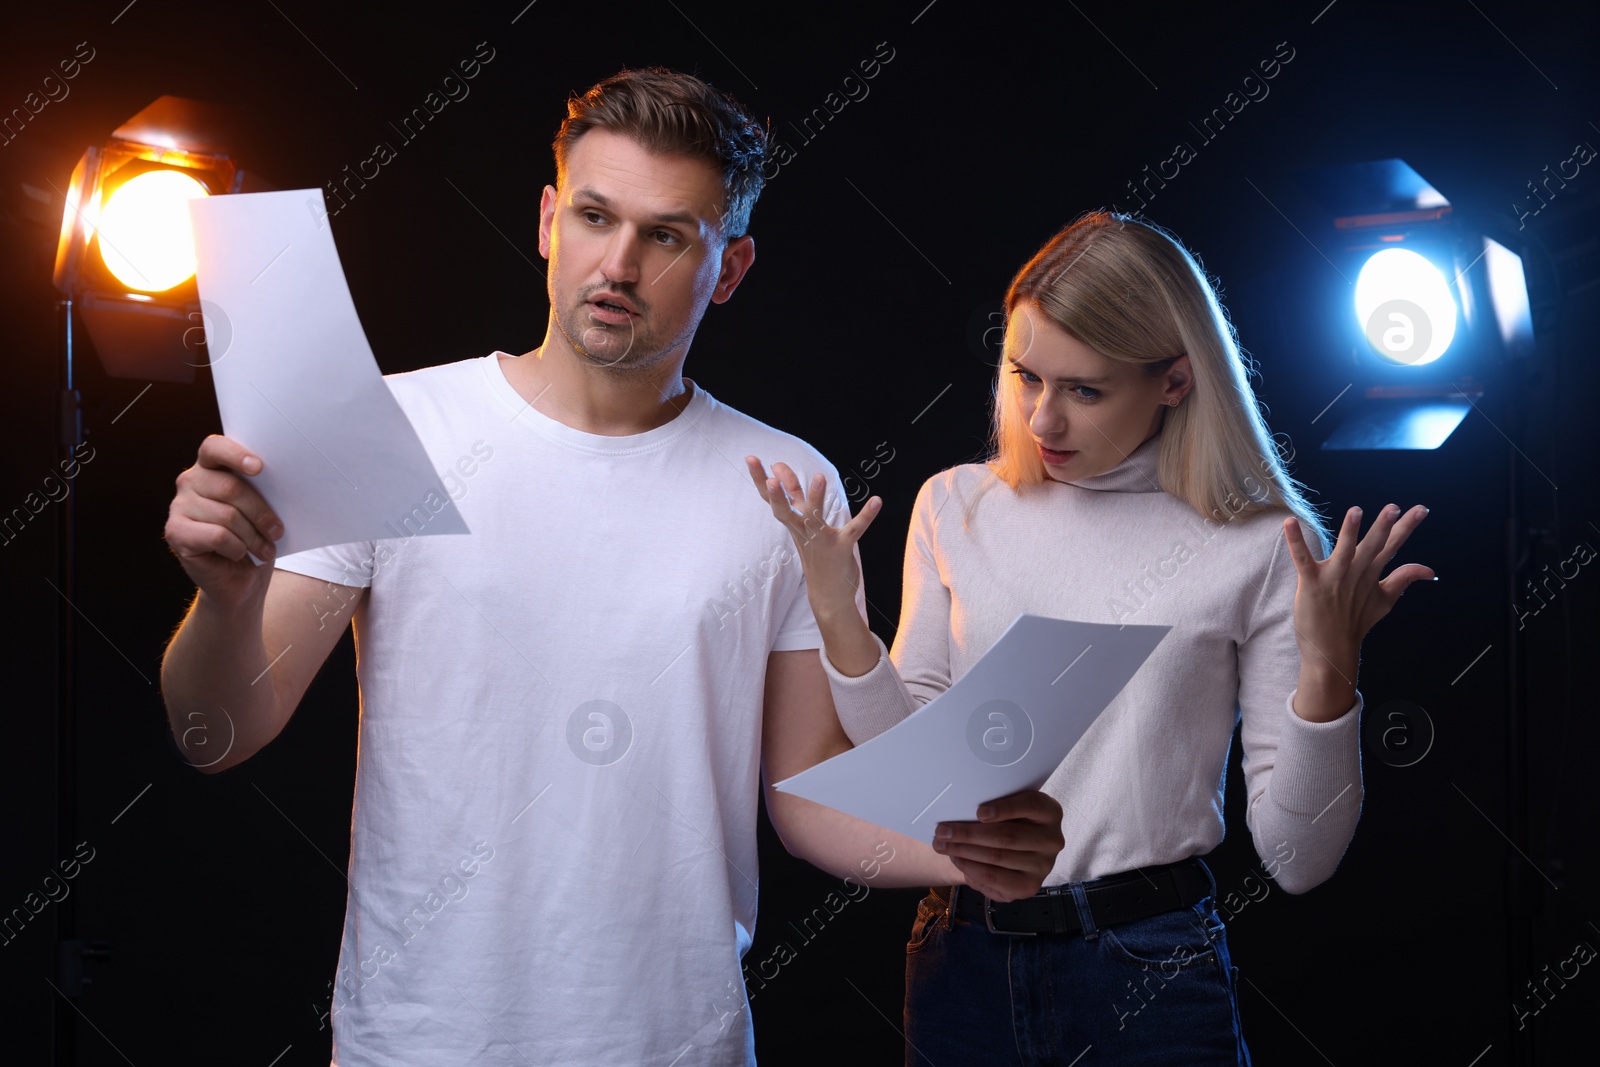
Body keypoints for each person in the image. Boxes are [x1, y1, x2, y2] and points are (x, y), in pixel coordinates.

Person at [159, 68, 1064, 1066]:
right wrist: (227, 599)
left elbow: (805, 800)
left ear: (730, 267)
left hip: (671, 1040)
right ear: (550, 221)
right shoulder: (399, 426)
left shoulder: (786, 480)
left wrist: (963, 847)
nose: (618, 263)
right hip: (424, 1040)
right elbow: (223, 733)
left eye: (667, 234)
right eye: (595, 216)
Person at [747, 211, 1434, 1065]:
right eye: (1025, 375)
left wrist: (1331, 670)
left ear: (1176, 381)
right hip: (960, 961)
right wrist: (839, 616)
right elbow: (914, 769)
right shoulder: (956, 505)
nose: (1043, 420)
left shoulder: (1263, 543)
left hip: (1147, 965)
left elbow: (1298, 857)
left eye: (1085, 389)